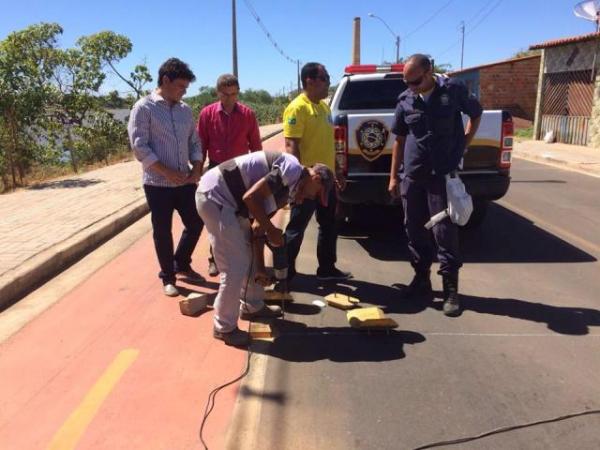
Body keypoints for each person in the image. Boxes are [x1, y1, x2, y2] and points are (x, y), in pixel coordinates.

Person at [196, 151, 334, 346]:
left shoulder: (289, 190)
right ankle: (223, 327)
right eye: (315, 194)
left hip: (232, 204)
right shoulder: (292, 169)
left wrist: (260, 266)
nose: (309, 198)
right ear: (316, 178)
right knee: (234, 267)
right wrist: (272, 230)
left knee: (247, 257)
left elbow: (257, 229)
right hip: (216, 197)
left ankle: (252, 306)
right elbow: (250, 197)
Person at [388, 54, 482, 317]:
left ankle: (451, 289)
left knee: (444, 231)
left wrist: (463, 143)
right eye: (407, 82)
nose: (412, 86)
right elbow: (399, 139)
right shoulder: (405, 99)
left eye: (415, 81)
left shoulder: (452, 91)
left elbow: (476, 114)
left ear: (429, 71)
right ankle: (421, 279)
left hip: (441, 176)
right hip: (414, 176)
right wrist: (393, 177)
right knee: (413, 228)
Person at [128, 58, 205, 297]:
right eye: (181, 86)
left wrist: (197, 167)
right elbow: (139, 146)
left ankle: (181, 262)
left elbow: (194, 141)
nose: (183, 91)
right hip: (157, 184)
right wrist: (166, 172)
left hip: (184, 182)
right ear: (165, 81)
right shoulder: (144, 107)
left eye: (186, 88)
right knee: (162, 230)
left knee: (196, 222)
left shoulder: (185, 110)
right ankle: (168, 277)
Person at [281, 62, 351, 284]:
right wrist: (300, 179)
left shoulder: (323, 107)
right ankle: (284, 273)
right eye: (326, 79)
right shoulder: (297, 107)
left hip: (327, 179)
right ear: (310, 81)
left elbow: (330, 142)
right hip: (308, 181)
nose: (329, 83)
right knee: (296, 229)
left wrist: (338, 170)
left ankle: (327, 267)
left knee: (330, 224)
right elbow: (291, 146)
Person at [197, 74, 262, 277]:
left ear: (238, 93)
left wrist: (259, 176)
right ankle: (214, 259)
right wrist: (198, 175)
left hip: (241, 172)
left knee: (242, 216)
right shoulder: (207, 114)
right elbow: (201, 146)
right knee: (217, 220)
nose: (230, 98)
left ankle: (243, 258)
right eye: (225, 94)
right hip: (216, 171)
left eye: (234, 94)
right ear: (218, 93)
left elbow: (257, 148)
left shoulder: (248, 115)